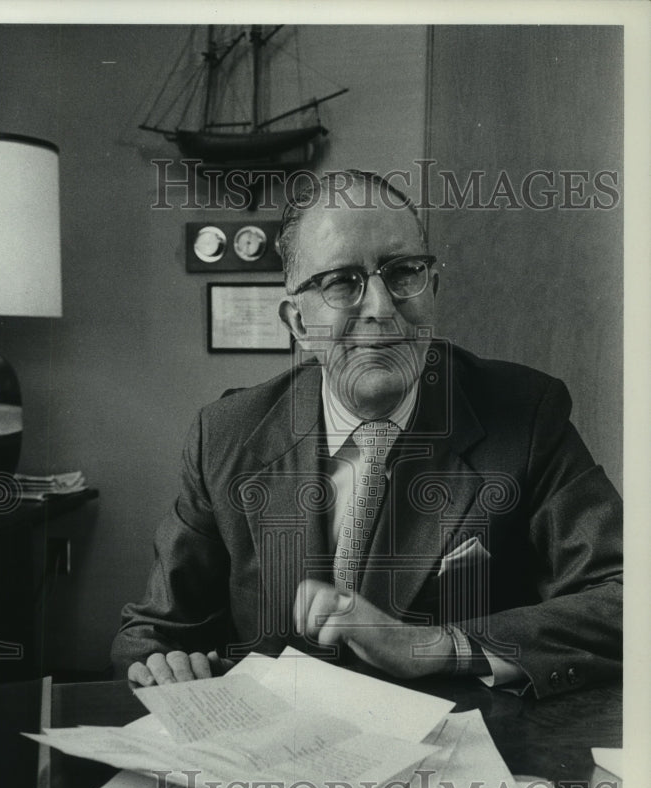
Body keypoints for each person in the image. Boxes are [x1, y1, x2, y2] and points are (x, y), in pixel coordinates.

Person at [112, 170, 622, 699]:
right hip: (278, 763)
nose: (381, 308)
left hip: (455, 757)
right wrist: (165, 666)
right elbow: (153, 635)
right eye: (341, 282)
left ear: (434, 288)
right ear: (297, 321)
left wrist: (436, 645)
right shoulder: (224, 436)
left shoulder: (526, 414)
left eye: (404, 273)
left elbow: (623, 596)